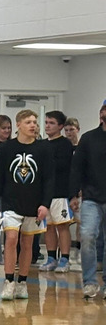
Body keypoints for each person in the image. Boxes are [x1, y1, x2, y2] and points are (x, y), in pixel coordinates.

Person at [0, 109, 51, 301]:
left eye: (35, 122)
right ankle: (8, 281)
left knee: (27, 243)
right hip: (10, 202)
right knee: (11, 239)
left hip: (34, 203)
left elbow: (49, 179)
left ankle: (22, 282)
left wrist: (45, 204)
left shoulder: (43, 149)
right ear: (19, 125)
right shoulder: (7, 148)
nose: (33, 125)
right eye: (28, 122)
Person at [70, 102, 106, 299]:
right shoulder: (89, 138)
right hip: (91, 197)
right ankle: (90, 282)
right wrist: (73, 194)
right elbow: (77, 168)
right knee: (88, 236)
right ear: (101, 113)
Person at [40, 110, 75, 273]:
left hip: (60, 191)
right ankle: (51, 257)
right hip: (45, 193)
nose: (48, 126)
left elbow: (62, 167)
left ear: (60, 126)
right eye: (46, 122)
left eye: (52, 123)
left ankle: (65, 258)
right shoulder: (42, 145)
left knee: (62, 226)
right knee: (48, 227)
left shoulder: (65, 144)